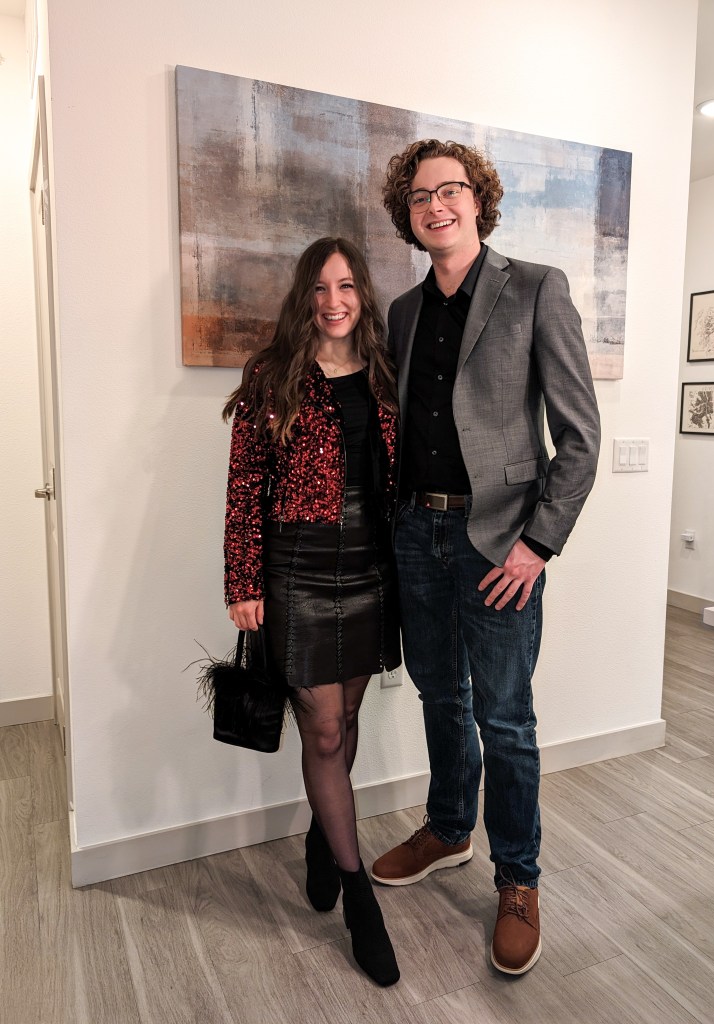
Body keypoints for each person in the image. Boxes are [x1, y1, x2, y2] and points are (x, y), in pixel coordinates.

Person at [372, 140, 601, 976]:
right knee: (439, 693)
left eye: (450, 190)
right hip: (417, 535)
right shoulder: (402, 312)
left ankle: (518, 878)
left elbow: (579, 437)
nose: (435, 205)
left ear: (478, 200)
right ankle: (447, 829)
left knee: (504, 718)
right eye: (419, 196)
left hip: (501, 542)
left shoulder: (535, 287)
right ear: (407, 215)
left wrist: (538, 543)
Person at [222, 237, 401, 987]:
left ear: (363, 294)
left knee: (347, 718)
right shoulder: (272, 375)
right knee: (323, 728)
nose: (334, 301)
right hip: (295, 568)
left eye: (347, 286)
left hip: (371, 568)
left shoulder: (385, 373)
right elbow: (243, 486)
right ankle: (359, 897)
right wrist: (243, 582)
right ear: (304, 296)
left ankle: (323, 840)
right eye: (321, 287)